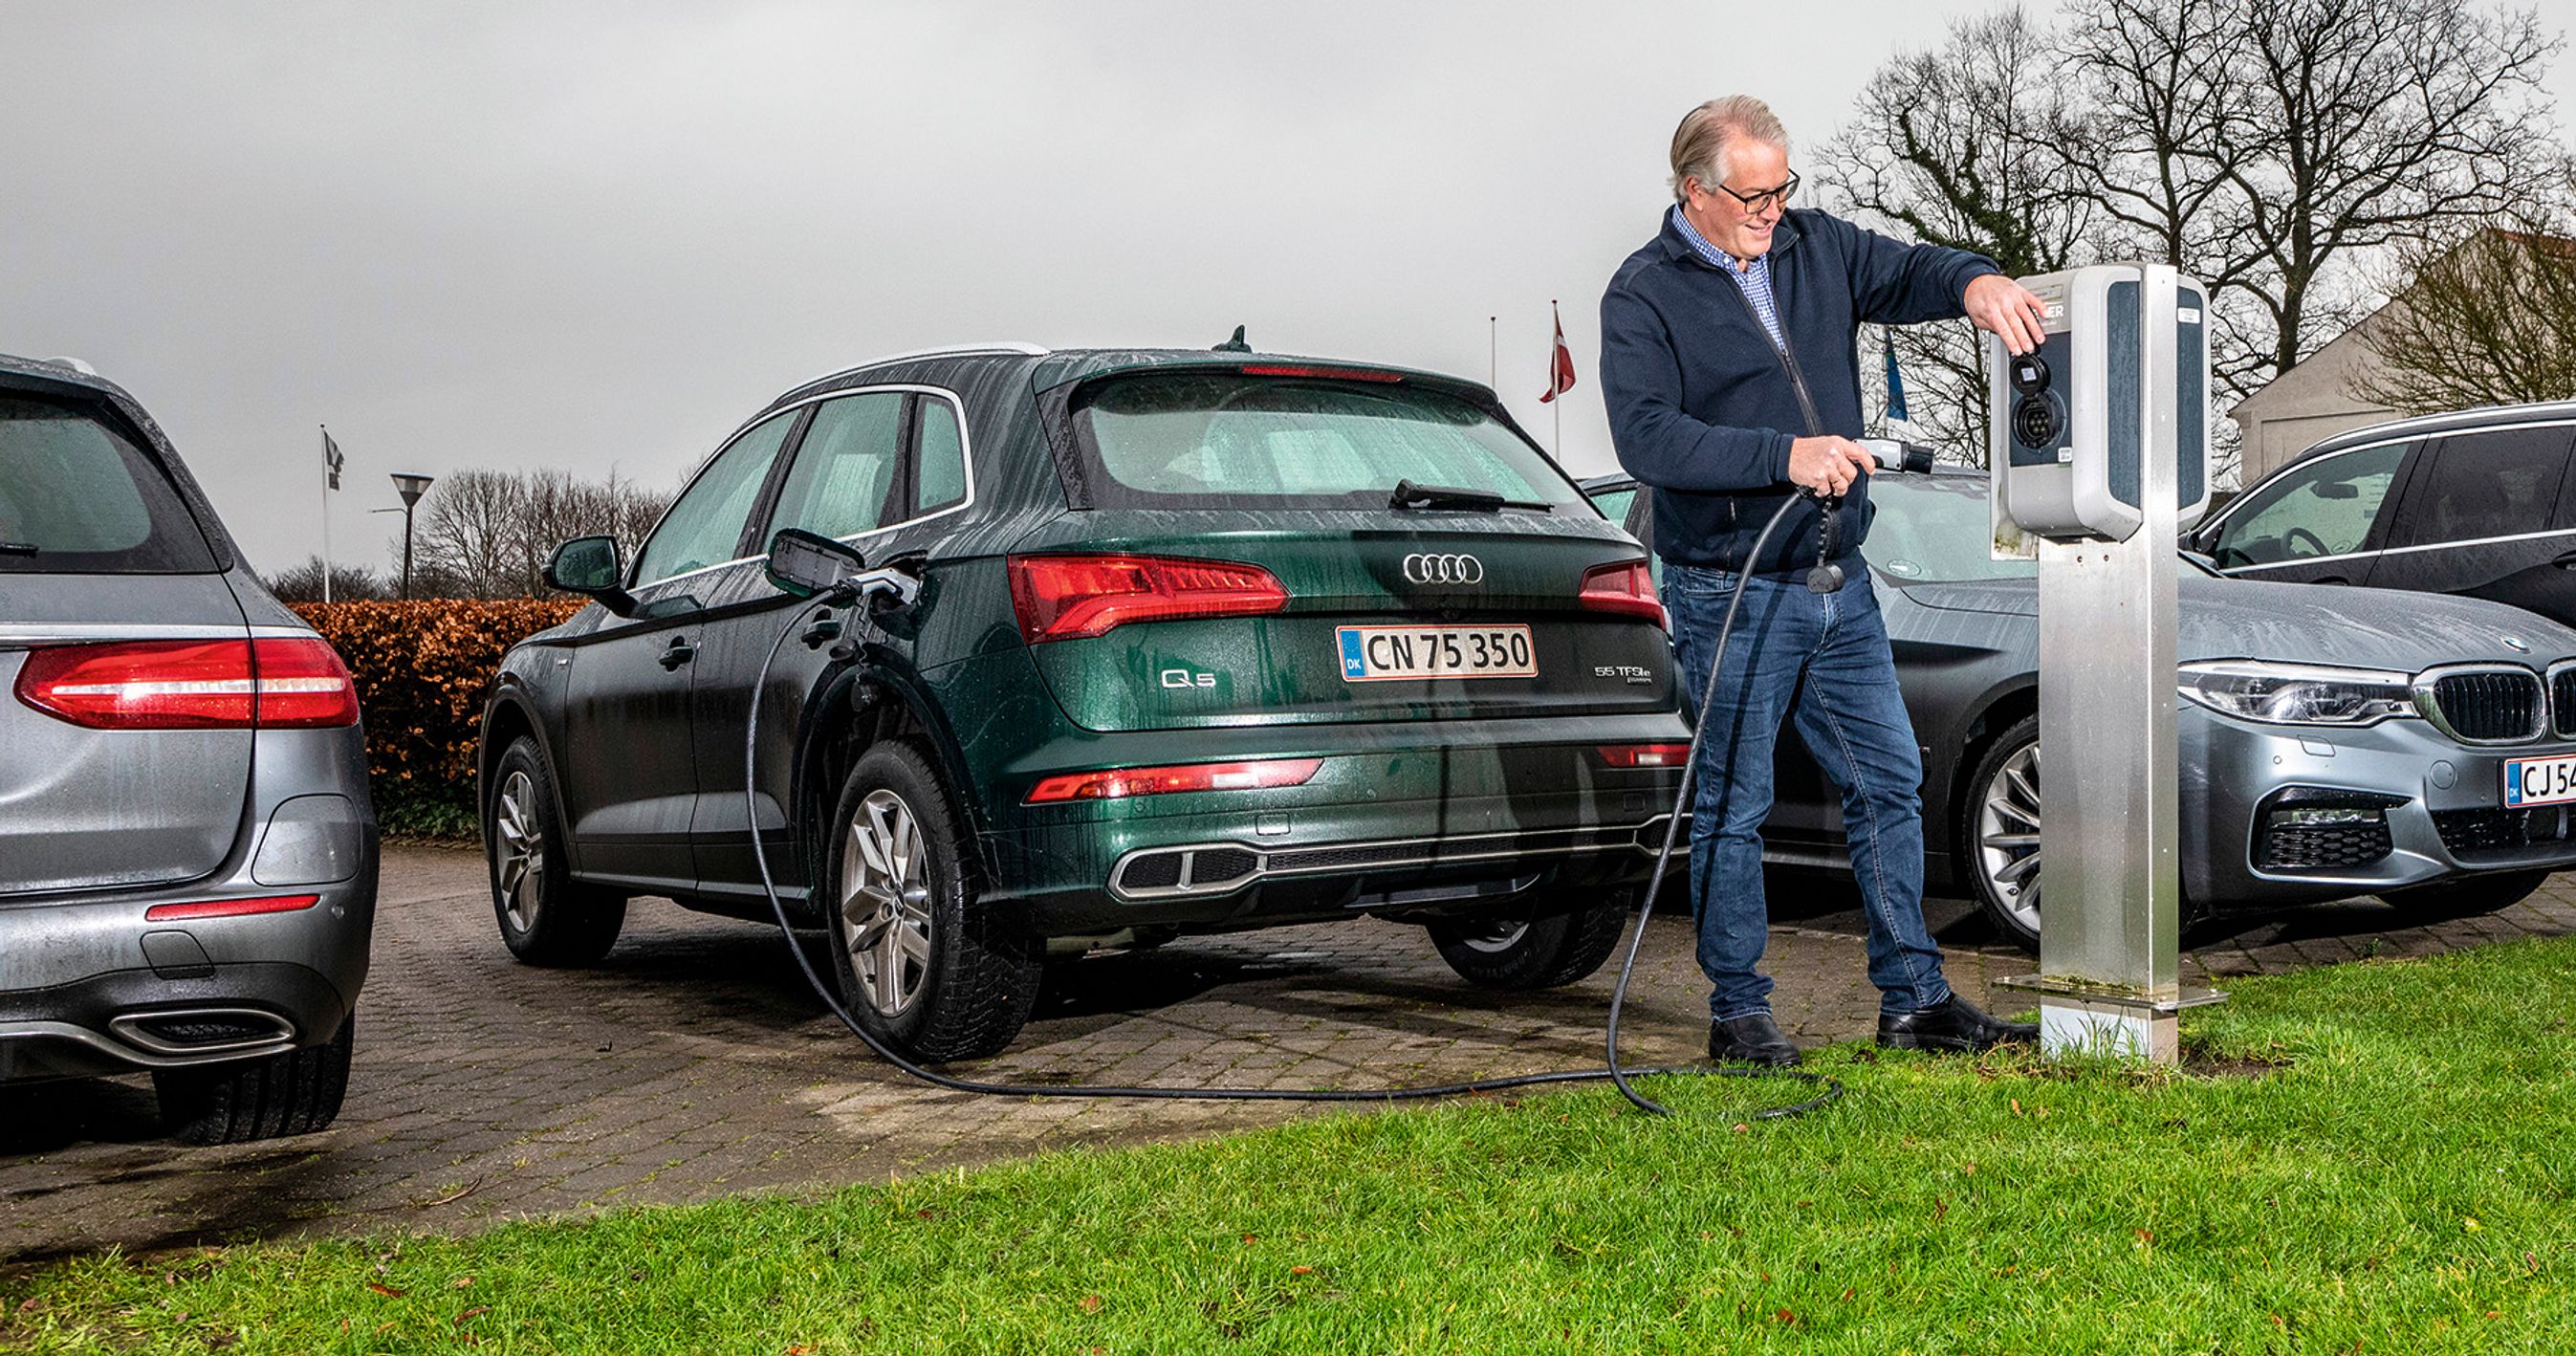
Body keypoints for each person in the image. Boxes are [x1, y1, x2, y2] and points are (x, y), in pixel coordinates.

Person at [1599, 95, 2050, 1064]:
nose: (1773, 211)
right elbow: (1647, 437)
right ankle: (1739, 1015)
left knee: (1888, 780)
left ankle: (1915, 1002)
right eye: (1753, 197)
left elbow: (1914, 269)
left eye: (1782, 189)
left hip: (1839, 581)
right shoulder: (1643, 294)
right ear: (1695, 191)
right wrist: (1784, 455)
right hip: (1731, 589)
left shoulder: (1817, 246)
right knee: (1735, 804)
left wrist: (1975, 281)